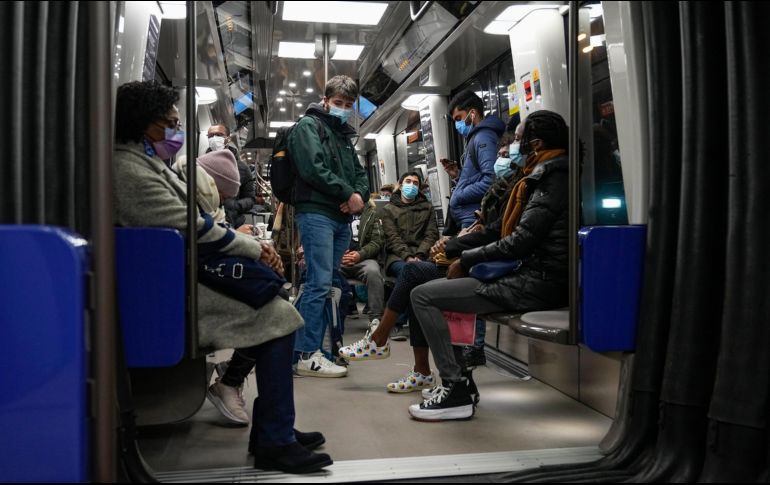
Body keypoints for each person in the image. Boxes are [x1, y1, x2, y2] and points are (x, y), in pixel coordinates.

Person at [112, 80, 332, 473]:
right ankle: (274, 439)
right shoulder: (127, 168)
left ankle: (273, 428)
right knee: (280, 320)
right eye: (170, 124)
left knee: (279, 310)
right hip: (168, 288)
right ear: (144, 124)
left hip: (179, 274)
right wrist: (255, 248)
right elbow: (188, 226)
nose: (177, 133)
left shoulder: (147, 162)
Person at [408, 110, 571, 421]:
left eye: (518, 141)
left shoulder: (551, 179)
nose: (510, 147)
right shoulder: (536, 175)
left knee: (424, 296)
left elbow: (520, 240)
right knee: (434, 292)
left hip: (537, 280)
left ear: (535, 143)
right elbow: (499, 229)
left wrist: (466, 260)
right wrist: (455, 246)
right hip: (526, 273)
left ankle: (455, 387)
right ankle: (463, 384)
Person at [289, 75, 371, 378]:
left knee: (329, 286)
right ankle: (304, 353)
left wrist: (357, 196)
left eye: (348, 105)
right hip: (316, 215)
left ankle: (316, 349)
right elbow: (313, 168)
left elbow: (360, 175)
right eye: (338, 103)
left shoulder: (343, 136)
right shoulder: (308, 127)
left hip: (339, 219)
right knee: (318, 284)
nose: (343, 108)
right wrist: (345, 193)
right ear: (326, 100)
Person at [446, 90, 505, 229]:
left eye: (458, 118)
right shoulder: (475, 138)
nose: (457, 125)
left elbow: (491, 180)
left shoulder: (483, 137)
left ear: (472, 114)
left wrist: (459, 195)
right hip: (470, 218)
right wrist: (458, 176)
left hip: (475, 219)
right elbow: (478, 175)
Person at [339, 198, 385, 328]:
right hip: (338, 259)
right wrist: (338, 253)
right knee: (326, 273)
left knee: (373, 273)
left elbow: (377, 241)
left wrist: (360, 254)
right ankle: (334, 317)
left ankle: (376, 319)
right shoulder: (334, 211)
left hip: (364, 259)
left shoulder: (371, 214)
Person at [207, 124, 256, 228]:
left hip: (233, 222)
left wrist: (234, 206)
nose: (214, 139)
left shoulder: (241, 167)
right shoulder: (201, 165)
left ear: (228, 139)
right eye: (210, 136)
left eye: (219, 135)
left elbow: (250, 198)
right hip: (207, 221)